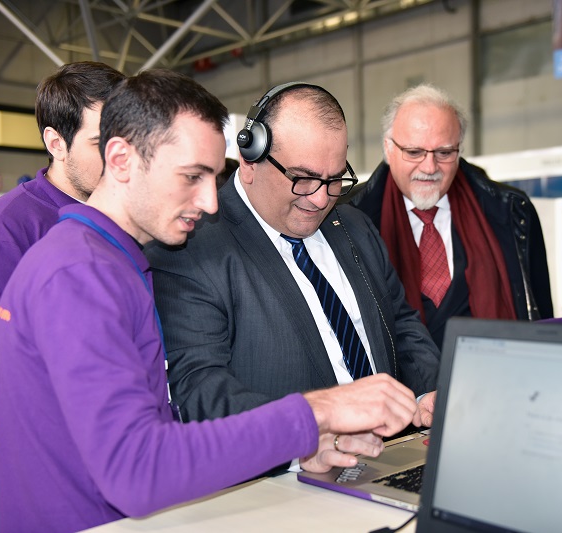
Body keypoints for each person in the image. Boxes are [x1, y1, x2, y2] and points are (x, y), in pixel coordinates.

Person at [0, 69, 422, 533]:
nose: (211, 203)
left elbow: (154, 436)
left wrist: (302, 444)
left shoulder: (105, 261)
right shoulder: (80, 275)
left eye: (213, 178)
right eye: (191, 177)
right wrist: (315, 413)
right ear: (120, 159)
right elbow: (138, 469)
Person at [146, 82, 440, 437]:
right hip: (292, 463)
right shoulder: (191, 250)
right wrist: (315, 420)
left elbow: (401, 322)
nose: (320, 199)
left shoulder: (354, 226)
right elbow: (202, 392)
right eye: (303, 179)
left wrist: (427, 393)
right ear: (250, 159)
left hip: (391, 450)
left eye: (334, 179)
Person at [0, 61, 125, 531]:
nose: (121, 158)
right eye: (101, 142)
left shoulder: (132, 221)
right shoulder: (4, 230)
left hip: (123, 473)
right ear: (56, 142)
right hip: (40, 484)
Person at [350, 84, 553, 348]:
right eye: (414, 152)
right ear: (388, 149)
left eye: (444, 153)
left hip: (492, 368)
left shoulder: (511, 211)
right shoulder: (350, 219)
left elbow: (539, 315)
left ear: (459, 150)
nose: (429, 167)